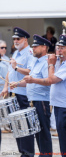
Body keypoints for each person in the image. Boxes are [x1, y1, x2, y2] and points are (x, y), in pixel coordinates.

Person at [10, 34, 53, 157]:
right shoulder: (35, 62)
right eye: (33, 46)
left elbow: (48, 81)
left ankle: (46, 155)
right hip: (33, 101)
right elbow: (30, 81)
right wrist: (17, 84)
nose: (33, 48)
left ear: (44, 47)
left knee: (44, 132)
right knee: (37, 131)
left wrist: (32, 80)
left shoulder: (46, 63)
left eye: (36, 46)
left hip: (42, 101)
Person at [0, 27, 34, 157]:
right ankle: (22, 152)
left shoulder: (29, 53)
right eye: (14, 39)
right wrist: (5, 88)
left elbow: (31, 71)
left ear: (25, 39)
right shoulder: (16, 53)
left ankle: (28, 153)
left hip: (23, 94)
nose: (15, 41)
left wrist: (17, 67)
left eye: (18, 39)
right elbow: (9, 71)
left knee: (25, 126)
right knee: (16, 126)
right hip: (13, 93)